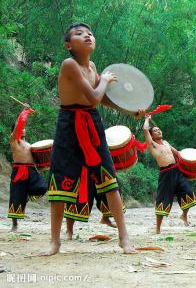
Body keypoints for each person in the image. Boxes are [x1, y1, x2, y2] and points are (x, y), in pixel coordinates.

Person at [46, 22, 135, 255]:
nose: (87, 35)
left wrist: (129, 109)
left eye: (90, 33)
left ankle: (124, 238)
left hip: (92, 122)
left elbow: (99, 98)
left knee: (109, 179)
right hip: (69, 124)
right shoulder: (69, 65)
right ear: (68, 45)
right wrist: (104, 80)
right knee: (60, 183)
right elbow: (96, 95)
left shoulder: (92, 66)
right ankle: (55, 242)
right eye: (79, 34)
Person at [143, 115, 196, 234]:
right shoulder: (152, 144)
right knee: (163, 200)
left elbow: (178, 154)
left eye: (159, 129)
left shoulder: (167, 143)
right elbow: (144, 130)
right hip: (166, 174)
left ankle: (184, 215)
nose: (158, 131)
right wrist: (147, 119)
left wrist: (192, 166)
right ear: (152, 135)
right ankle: (157, 228)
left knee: (189, 193)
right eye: (155, 131)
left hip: (177, 171)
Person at [8, 113, 47, 231]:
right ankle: (14, 224)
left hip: (31, 170)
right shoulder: (14, 140)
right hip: (19, 170)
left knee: (42, 187)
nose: (23, 130)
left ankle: (28, 195)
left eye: (24, 128)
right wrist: (23, 112)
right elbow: (17, 129)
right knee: (16, 197)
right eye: (21, 128)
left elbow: (36, 159)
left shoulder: (29, 144)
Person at [64, 171, 126, 240]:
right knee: (76, 195)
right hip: (80, 164)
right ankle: (69, 230)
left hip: (100, 163)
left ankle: (107, 219)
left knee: (108, 189)